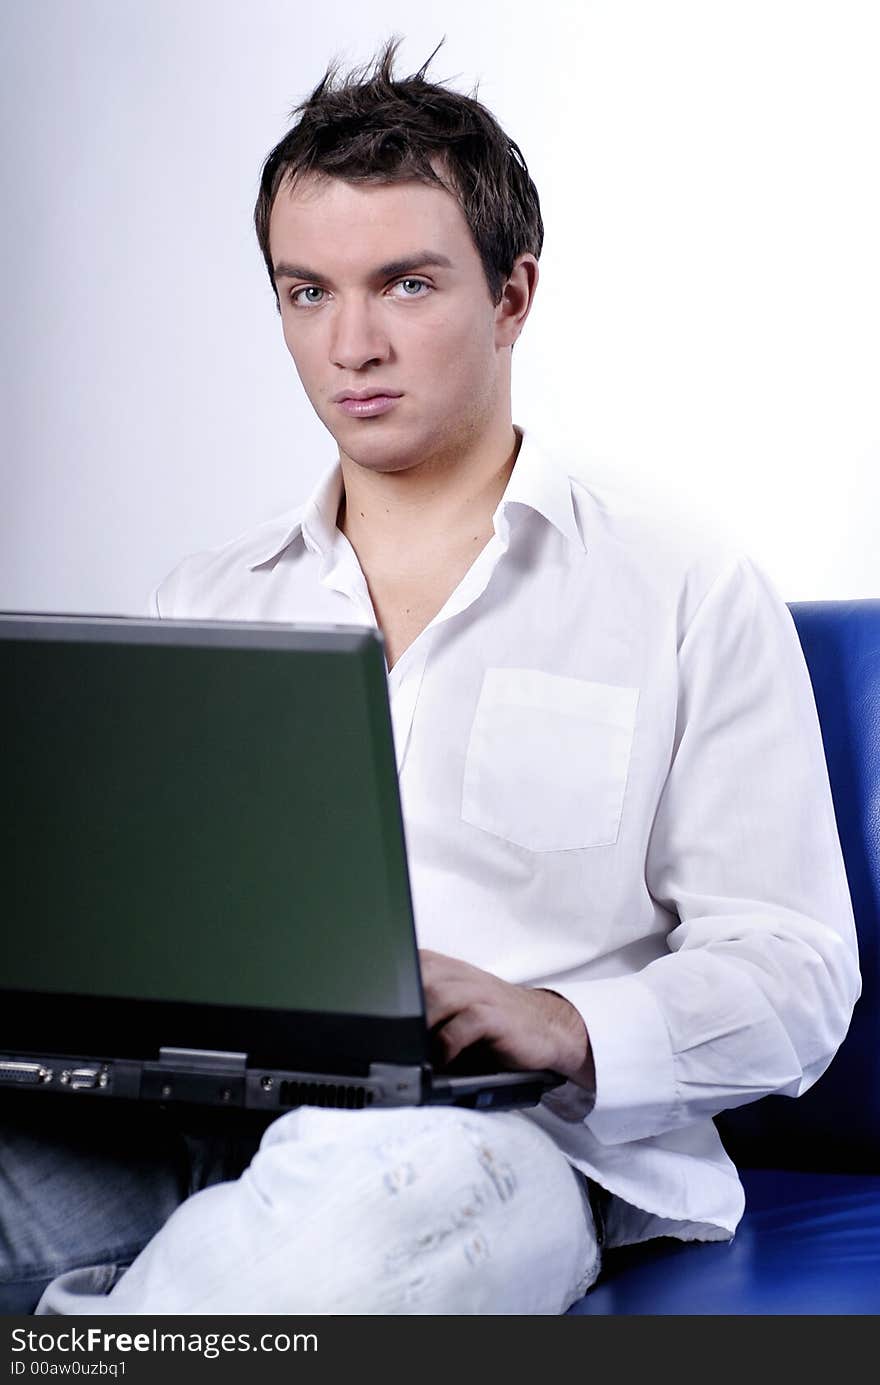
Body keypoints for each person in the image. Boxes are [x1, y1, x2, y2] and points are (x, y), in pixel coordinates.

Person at [3, 37, 860, 1316]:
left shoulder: (681, 587)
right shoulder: (209, 600)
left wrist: (559, 1019)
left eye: (405, 284)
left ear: (513, 296)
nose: (349, 344)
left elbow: (795, 971)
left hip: (501, 1148)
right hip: (188, 1118)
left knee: (350, 1230)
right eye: (306, 291)